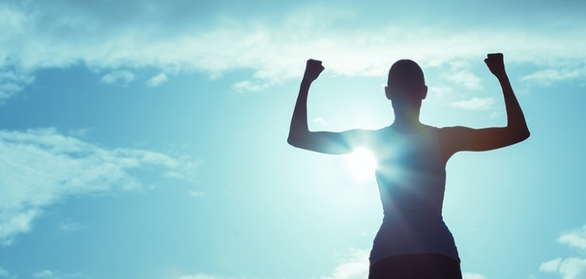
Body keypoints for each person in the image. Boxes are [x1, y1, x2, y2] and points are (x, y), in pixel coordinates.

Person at [287, 54, 530, 279]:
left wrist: (307, 81)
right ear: (424, 92)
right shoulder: (444, 139)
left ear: (387, 92)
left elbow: (298, 137)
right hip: (435, 254)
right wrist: (501, 75)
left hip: (392, 255)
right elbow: (517, 132)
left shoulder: (375, 141)